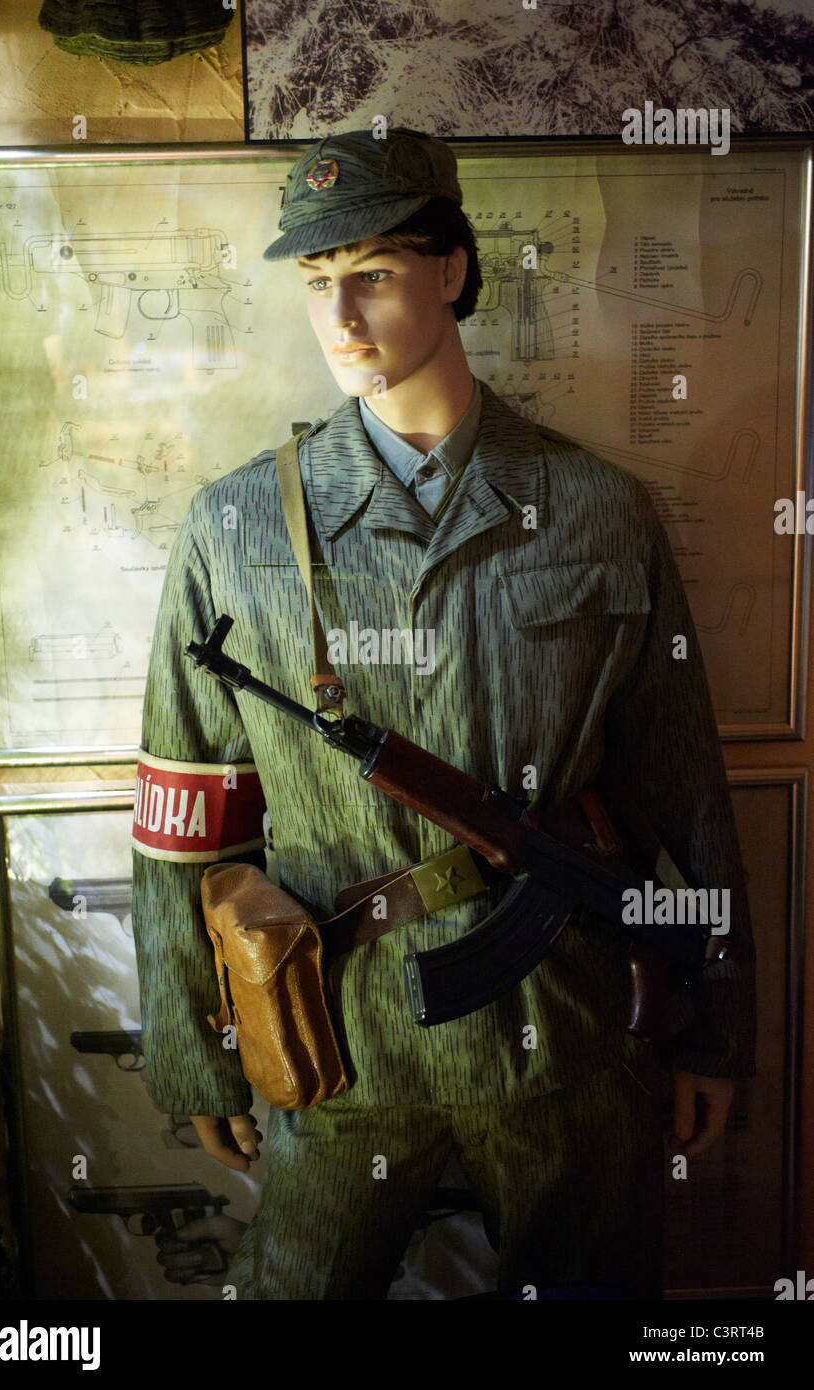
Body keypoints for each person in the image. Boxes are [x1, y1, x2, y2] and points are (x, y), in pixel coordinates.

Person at [130, 126, 756, 1300]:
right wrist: (200, 1051)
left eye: (370, 271)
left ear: (453, 270)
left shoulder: (593, 510)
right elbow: (187, 819)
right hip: (336, 1039)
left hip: (566, 1037)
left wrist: (720, 1023)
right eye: (316, 282)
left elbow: (685, 791)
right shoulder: (237, 528)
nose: (340, 316)